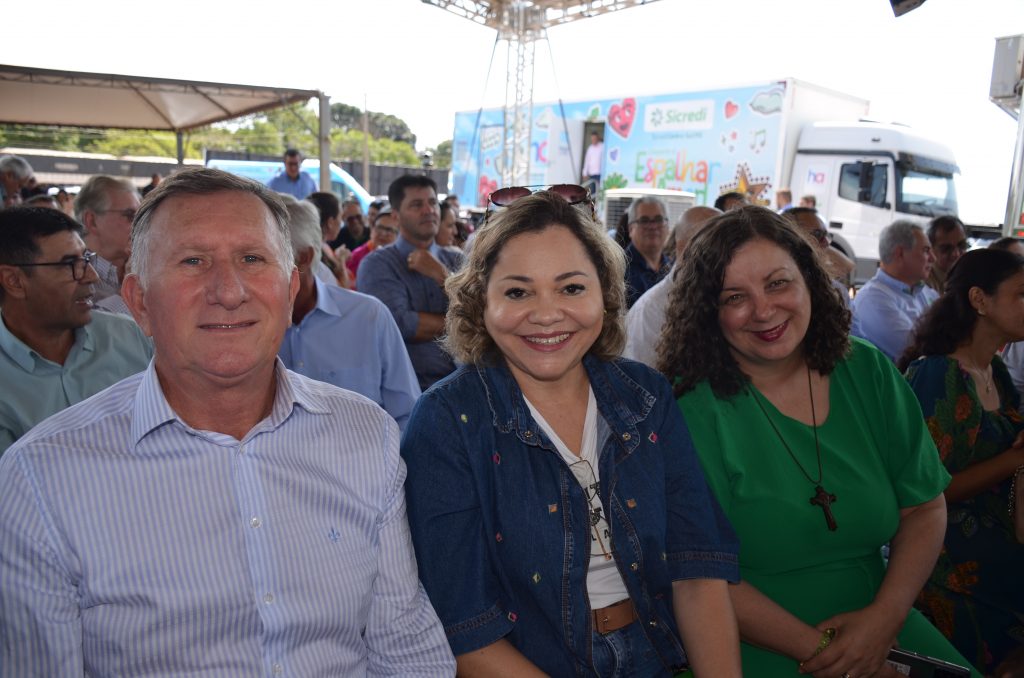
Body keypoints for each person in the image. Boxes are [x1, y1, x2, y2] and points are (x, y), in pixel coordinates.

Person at [0, 168, 455, 675]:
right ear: (139, 302)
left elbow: (405, 648)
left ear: (289, 292)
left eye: (252, 258)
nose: (229, 290)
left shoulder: (363, 434)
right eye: (193, 261)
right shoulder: (42, 477)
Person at [401, 190, 741, 676]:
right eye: (517, 292)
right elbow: (466, 630)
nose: (546, 314)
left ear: (605, 293)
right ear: (481, 303)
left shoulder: (644, 396)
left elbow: (697, 572)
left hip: (656, 655)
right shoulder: (448, 420)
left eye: (571, 288)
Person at [660, 206, 976, 677]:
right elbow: (698, 578)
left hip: (879, 621)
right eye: (734, 297)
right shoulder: (687, 406)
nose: (763, 310)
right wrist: (836, 655)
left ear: (810, 279)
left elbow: (924, 508)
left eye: (777, 283)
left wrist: (884, 620)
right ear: (708, 312)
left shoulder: (868, 370)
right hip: (750, 640)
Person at [901, 248, 1024, 674]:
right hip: (949, 567)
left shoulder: (996, 372)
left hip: (998, 548)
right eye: (1022, 294)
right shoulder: (939, 375)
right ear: (979, 300)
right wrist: (1016, 458)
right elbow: (931, 488)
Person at [0, 206, 152, 452]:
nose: (91, 276)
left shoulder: (133, 338)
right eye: (70, 264)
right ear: (14, 281)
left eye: (86, 260)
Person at [277, 191, 420, 430]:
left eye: (254, 257)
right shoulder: (242, 326)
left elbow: (408, 416)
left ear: (303, 257)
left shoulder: (368, 318)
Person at [359, 175, 464, 390]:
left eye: (432, 203)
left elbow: (485, 316)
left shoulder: (455, 260)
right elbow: (401, 325)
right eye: (417, 205)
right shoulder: (377, 264)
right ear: (396, 217)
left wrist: (443, 276)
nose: (429, 210)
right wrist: (463, 323)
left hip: (467, 384)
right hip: (409, 391)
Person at [623, 205, 720, 367]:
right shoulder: (651, 311)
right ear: (683, 248)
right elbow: (647, 383)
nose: (725, 252)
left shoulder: (721, 293)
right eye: (713, 244)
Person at [851, 220, 938, 361]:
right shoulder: (873, 299)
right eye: (926, 251)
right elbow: (918, 351)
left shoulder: (923, 291)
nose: (933, 258)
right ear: (900, 254)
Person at [74, 175, 141, 315]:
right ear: (92, 221)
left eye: (141, 216)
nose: (140, 225)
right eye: (130, 215)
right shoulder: (73, 275)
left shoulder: (145, 266)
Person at [623, 195, 671, 308]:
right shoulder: (620, 269)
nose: (653, 226)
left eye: (659, 219)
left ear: (668, 226)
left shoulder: (673, 267)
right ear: (630, 229)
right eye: (644, 221)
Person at [304, 191, 349, 287]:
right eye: (340, 218)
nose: (341, 223)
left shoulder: (321, 247)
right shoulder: (315, 254)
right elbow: (342, 294)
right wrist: (341, 261)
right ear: (330, 222)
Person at [347, 204, 399, 284]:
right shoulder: (356, 256)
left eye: (389, 230)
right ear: (372, 229)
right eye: (380, 228)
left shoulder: (401, 259)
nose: (383, 233)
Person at [925, 215, 968, 294]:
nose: (956, 254)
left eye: (961, 245)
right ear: (930, 250)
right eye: (946, 248)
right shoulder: (923, 285)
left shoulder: (970, 276)